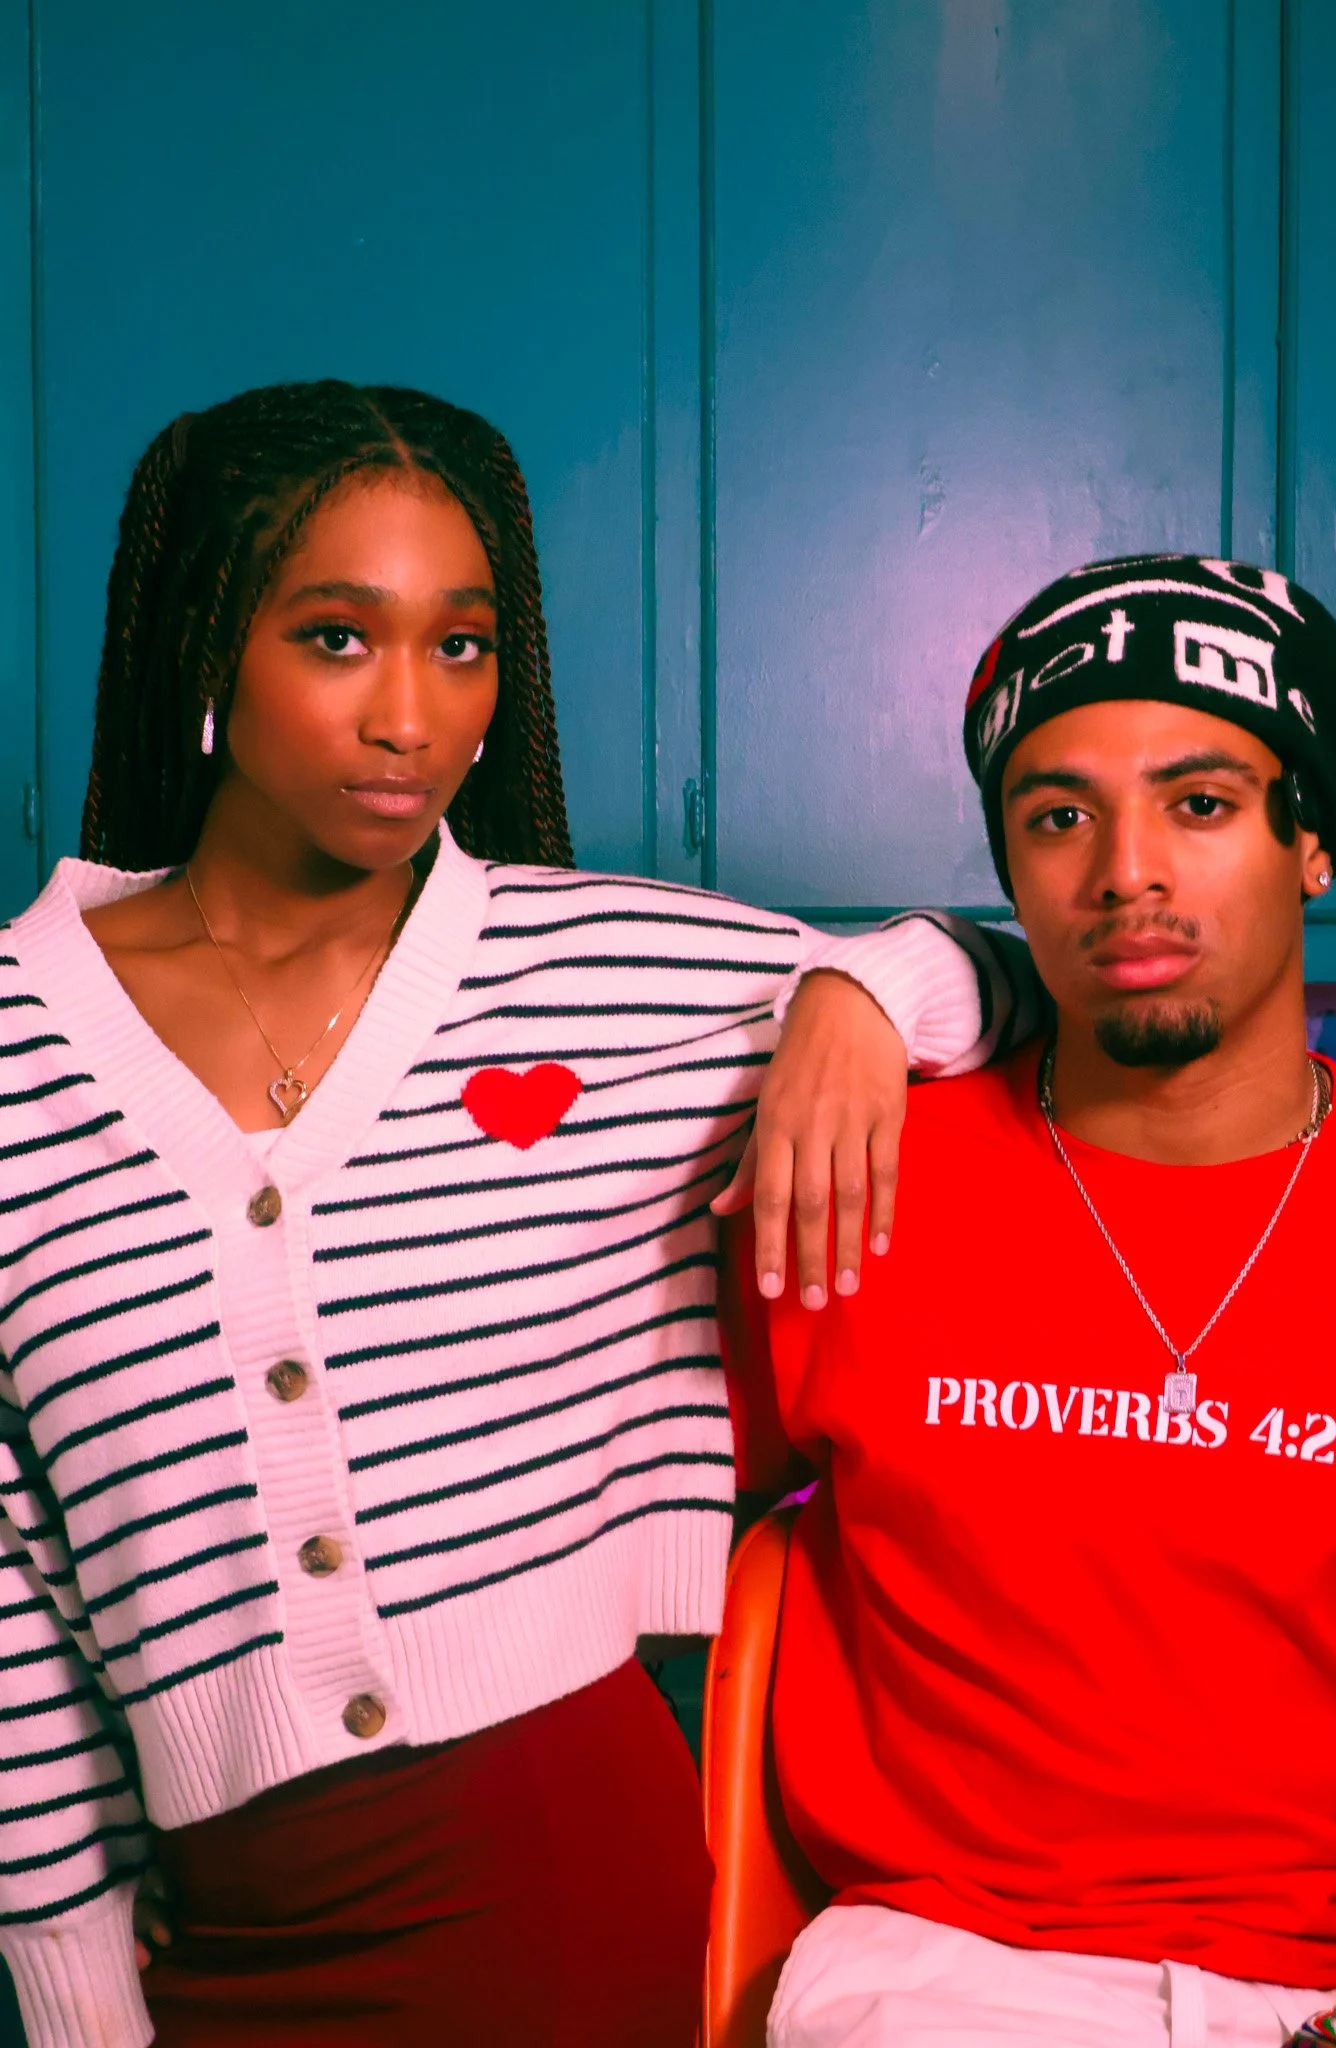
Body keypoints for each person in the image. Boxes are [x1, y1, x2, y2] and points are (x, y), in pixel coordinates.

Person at [0, 381, 1030, 2048]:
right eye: (338, 640)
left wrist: (856, 987)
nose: (411, 716)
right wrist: (73, 1995)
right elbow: (13, 1606)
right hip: (209, 1931)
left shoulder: (599, 973)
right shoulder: (15, 1054)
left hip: (561, 1877)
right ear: (207, 642)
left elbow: (1020, 978)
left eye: (460, 646)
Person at [725, 555, 1336, 2048]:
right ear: (1011, 874)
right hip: (942, 1968)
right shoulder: (853, 1177)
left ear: (1313, 843)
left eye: (1199, 805)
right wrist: (859, 980)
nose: (1125, 870)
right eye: (1059, 816)